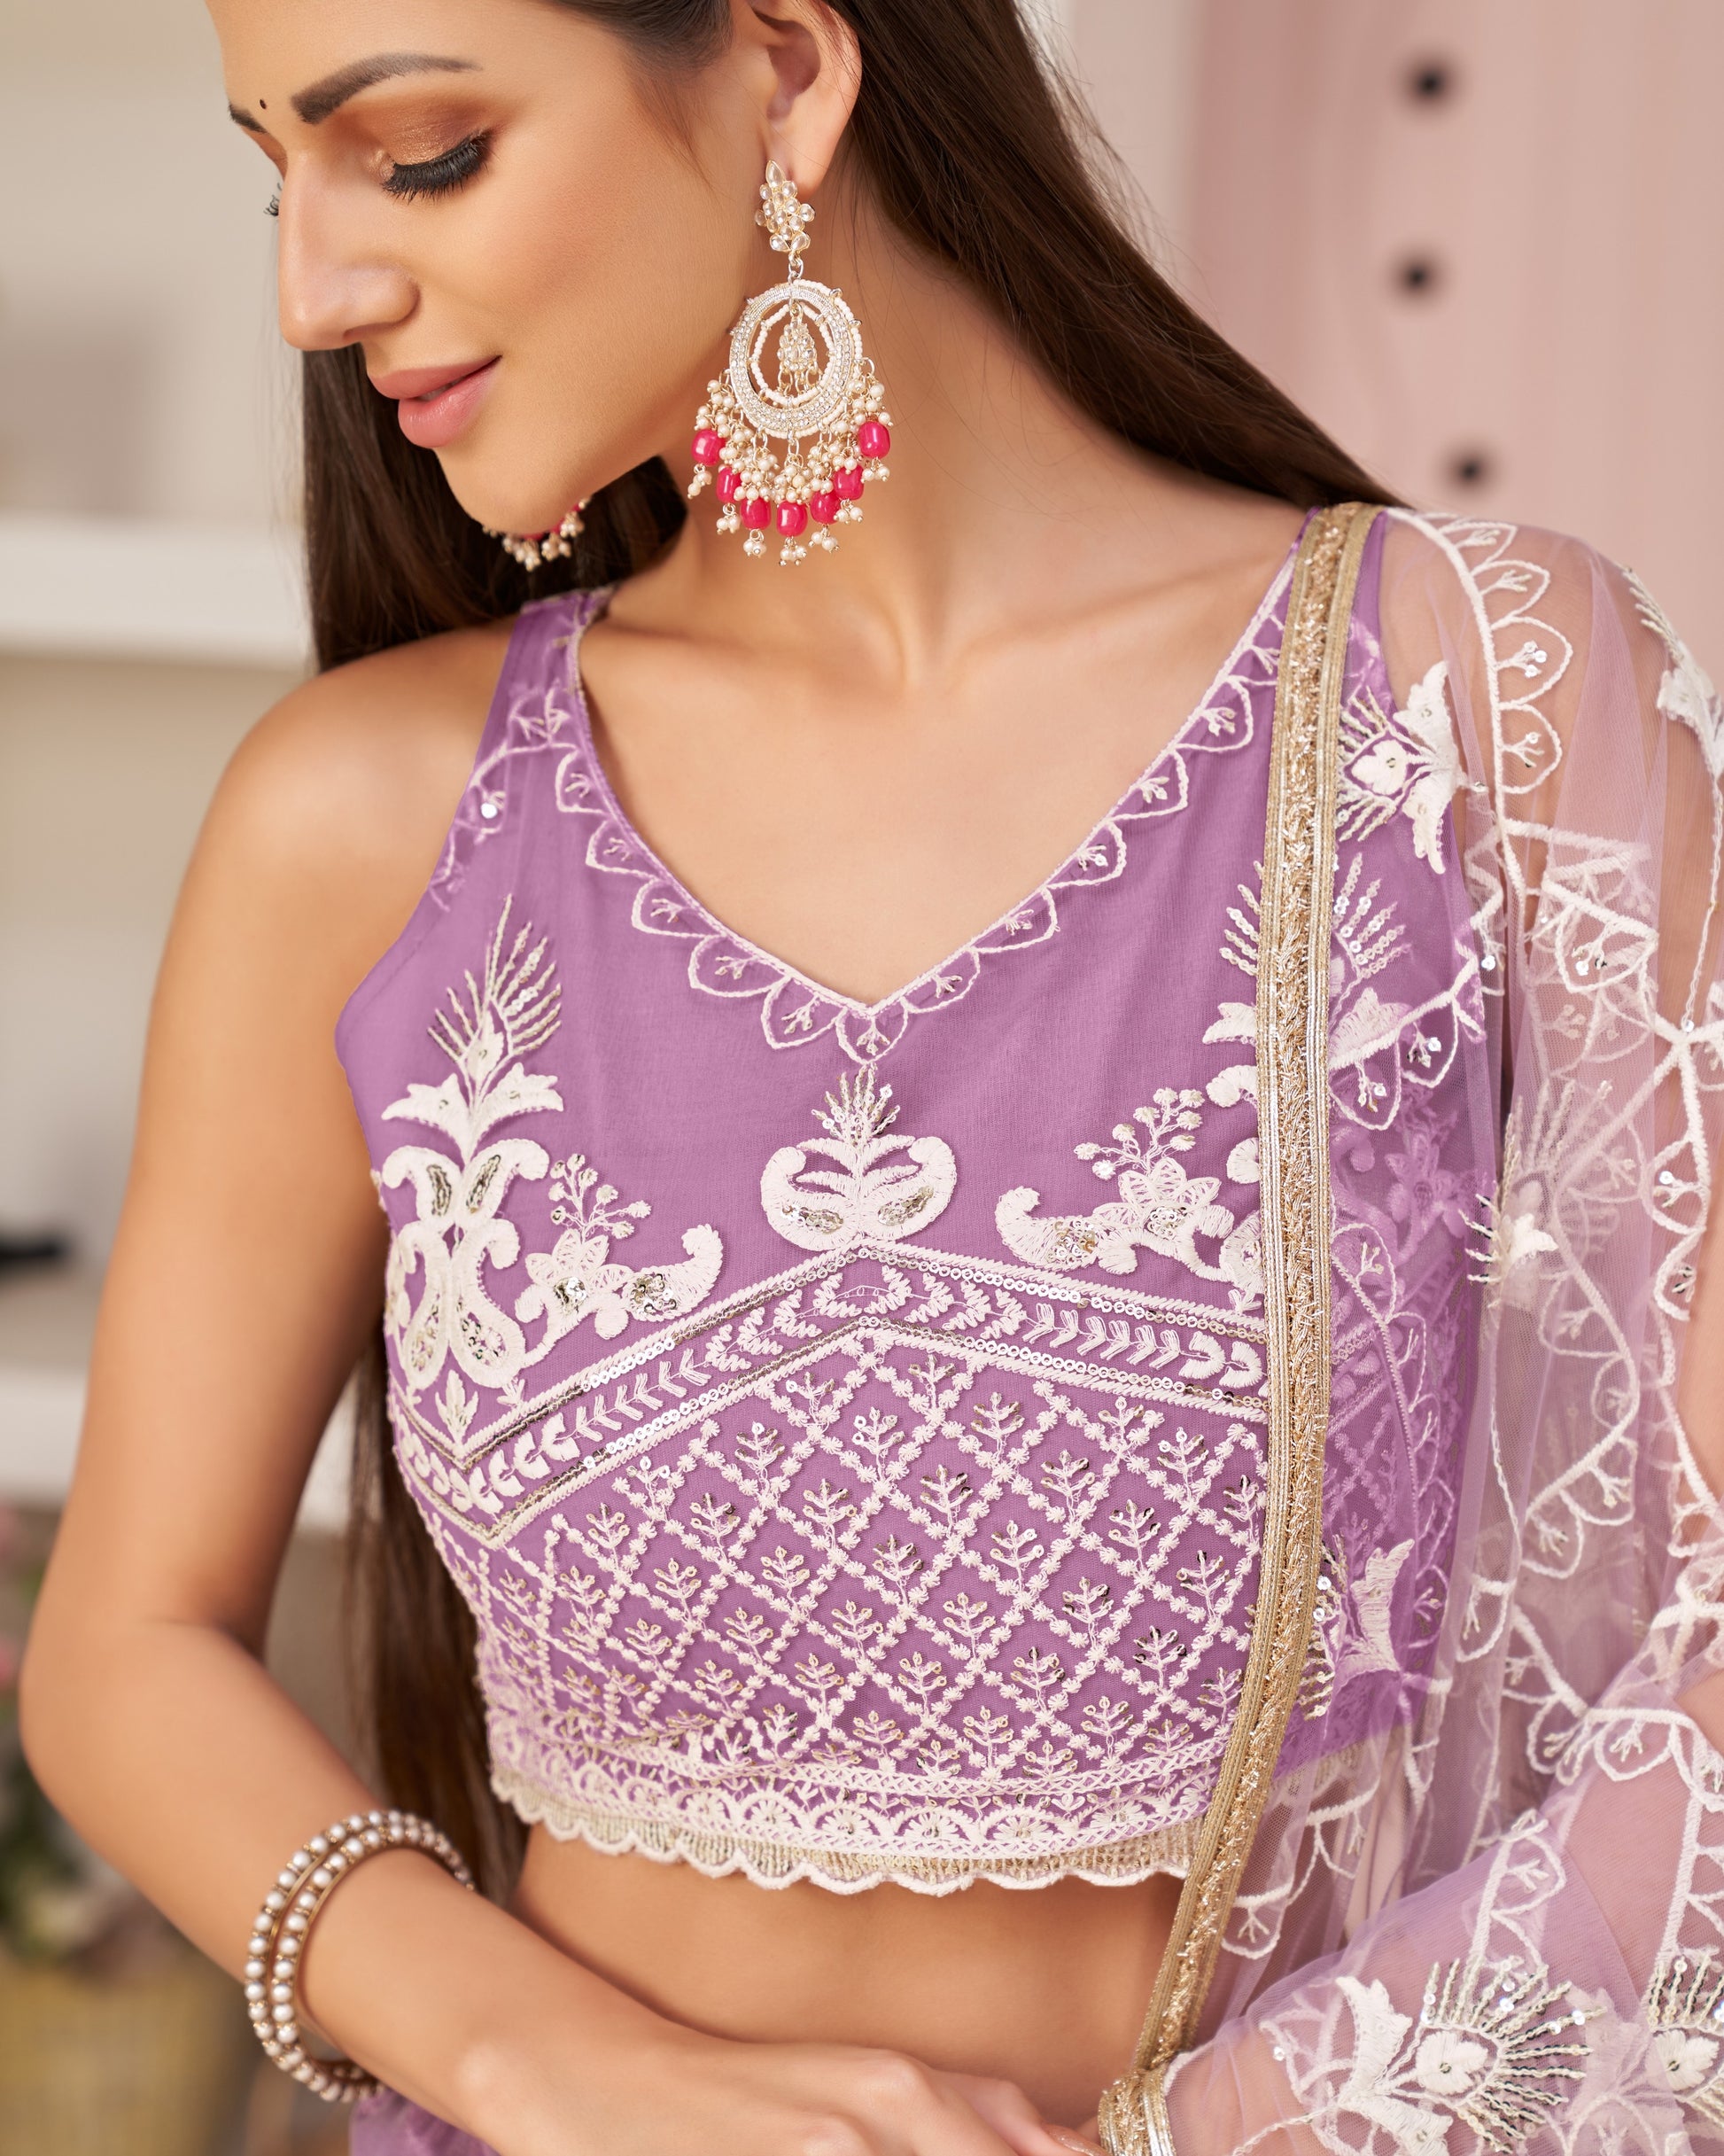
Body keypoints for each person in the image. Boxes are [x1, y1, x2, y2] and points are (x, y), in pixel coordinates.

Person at [19, 4, 1724, 2152]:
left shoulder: (1473, 703)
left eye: (419, 156)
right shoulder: (365, 812)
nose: (315, 289)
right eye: (280, 177)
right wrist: (545, 2059)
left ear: (786, 75)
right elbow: (129, 1643)